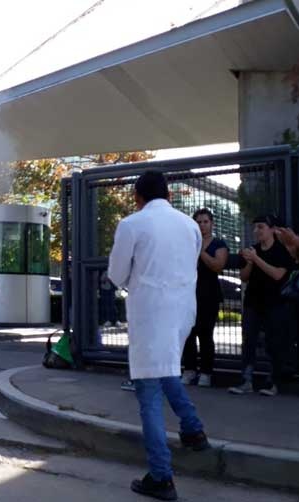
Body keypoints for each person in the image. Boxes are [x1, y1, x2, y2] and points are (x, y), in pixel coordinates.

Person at [108, 171, 209, 501]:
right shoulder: (190, 226)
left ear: (138, 196)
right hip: (182, 312)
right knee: (167, 371)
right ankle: (193, 430)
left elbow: (116, 274)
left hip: (151, 313)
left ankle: (161, 477)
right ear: (168, 194)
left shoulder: (132, 225)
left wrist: (136, 281)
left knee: (149, 391)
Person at [229, 215, 295, 396]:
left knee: (274, 342)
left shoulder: (281, 251)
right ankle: (246, 380)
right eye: (255, 227)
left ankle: (273, 382)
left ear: (272, 229)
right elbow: (243, 277)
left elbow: (278, 275)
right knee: (249, 340)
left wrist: (256, 259)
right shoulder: (252, 250)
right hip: (253, 302)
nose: (257, 231)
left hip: (275, 303)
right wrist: (249, 261)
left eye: (261, 227)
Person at [182, 209, 228, 387]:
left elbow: (218, 266)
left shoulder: (218, 243)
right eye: (199, 222)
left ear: (211, 223)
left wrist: (200, 250)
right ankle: (189, 370)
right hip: (188, 294)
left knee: (205, 334)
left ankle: (206, 373)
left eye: (205, 222)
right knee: (188, 333)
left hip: (209, 295)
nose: (202, 225)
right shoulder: (187, 243)